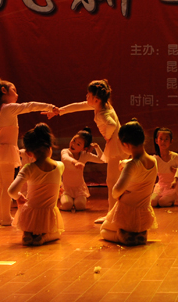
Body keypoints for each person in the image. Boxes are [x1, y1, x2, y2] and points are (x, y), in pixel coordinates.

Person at [50, 79, 126, 221]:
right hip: (117, 145)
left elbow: (111, 124)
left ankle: (113, 215)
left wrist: (108, 136)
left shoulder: (103, 112)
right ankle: (115, 213)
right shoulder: (102, 105)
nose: (86, 97)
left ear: (96, 99)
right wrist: (60, 111)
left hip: (116, 146)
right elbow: (79, 106)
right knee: (115, 180)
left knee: (112, 180)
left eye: (88, 95)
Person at [0, 77, 56, 226]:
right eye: (14, 90)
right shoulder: (8, 108)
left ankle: (2, 217)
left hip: (2, 149)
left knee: (4, 185)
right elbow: (29, 106)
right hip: (6, 150)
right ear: (4, 91)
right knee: (6, 185)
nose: (17, 94)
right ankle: (5, 217)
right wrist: (50, 107)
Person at [100, 120, 158, 246]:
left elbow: (115, 192)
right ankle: (138, 233)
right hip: (144, 214)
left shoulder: (132, 165)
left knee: (103, 230)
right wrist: (125, 163)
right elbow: (140, 167)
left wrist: (121, 192)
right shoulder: (153, 161)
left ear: (126, 145)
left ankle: (123, 237)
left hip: (126, 214)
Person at [8, 123, 64, 246]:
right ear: (50, 147)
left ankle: (28, 234)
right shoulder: (60, 166)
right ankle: (44, 237)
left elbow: (11, 191)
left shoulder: (28, 168)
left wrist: (18, 197)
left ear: (28, 153)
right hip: (48, 217)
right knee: (58, 233)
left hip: (30, 216)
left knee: (27, 208)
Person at [59, 127, 104, 212]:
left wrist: (97, 147)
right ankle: (66, 201)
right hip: (66, 189)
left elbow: (102, 160)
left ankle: (75, 202)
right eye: (73, 140)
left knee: (80, 206)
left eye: (78, 144)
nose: (73, 144)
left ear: (84, 148)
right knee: (66, 205)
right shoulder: (65, 151)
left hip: (79, 189)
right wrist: (75, 162)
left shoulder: (85, 155)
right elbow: (65, 158)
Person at [151, 127, 178, 208]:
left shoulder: (175, 157)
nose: (163, 142)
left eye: (166, 139)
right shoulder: (155, 158)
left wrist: (177, 171)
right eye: (161, 139)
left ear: (171, 141)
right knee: (153, 202)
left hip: (172, 186)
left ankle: (173, 199)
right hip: (161, 186)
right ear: (156, 141)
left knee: (163, 202)